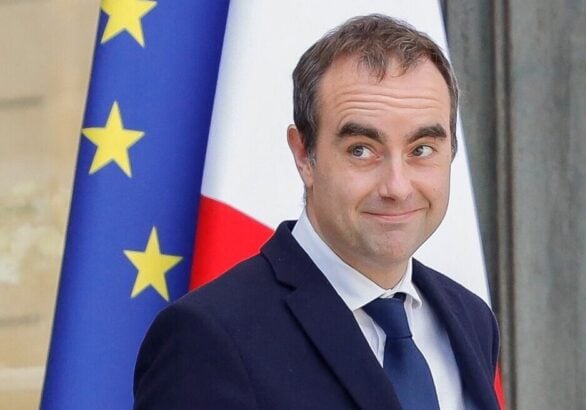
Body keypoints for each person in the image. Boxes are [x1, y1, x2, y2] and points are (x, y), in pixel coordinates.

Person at [134, 14, 500, 410]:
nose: (397, 187)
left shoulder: (470, 319)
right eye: (361, 150)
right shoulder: (208, 338)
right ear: (303, 155)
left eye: (421, 150)